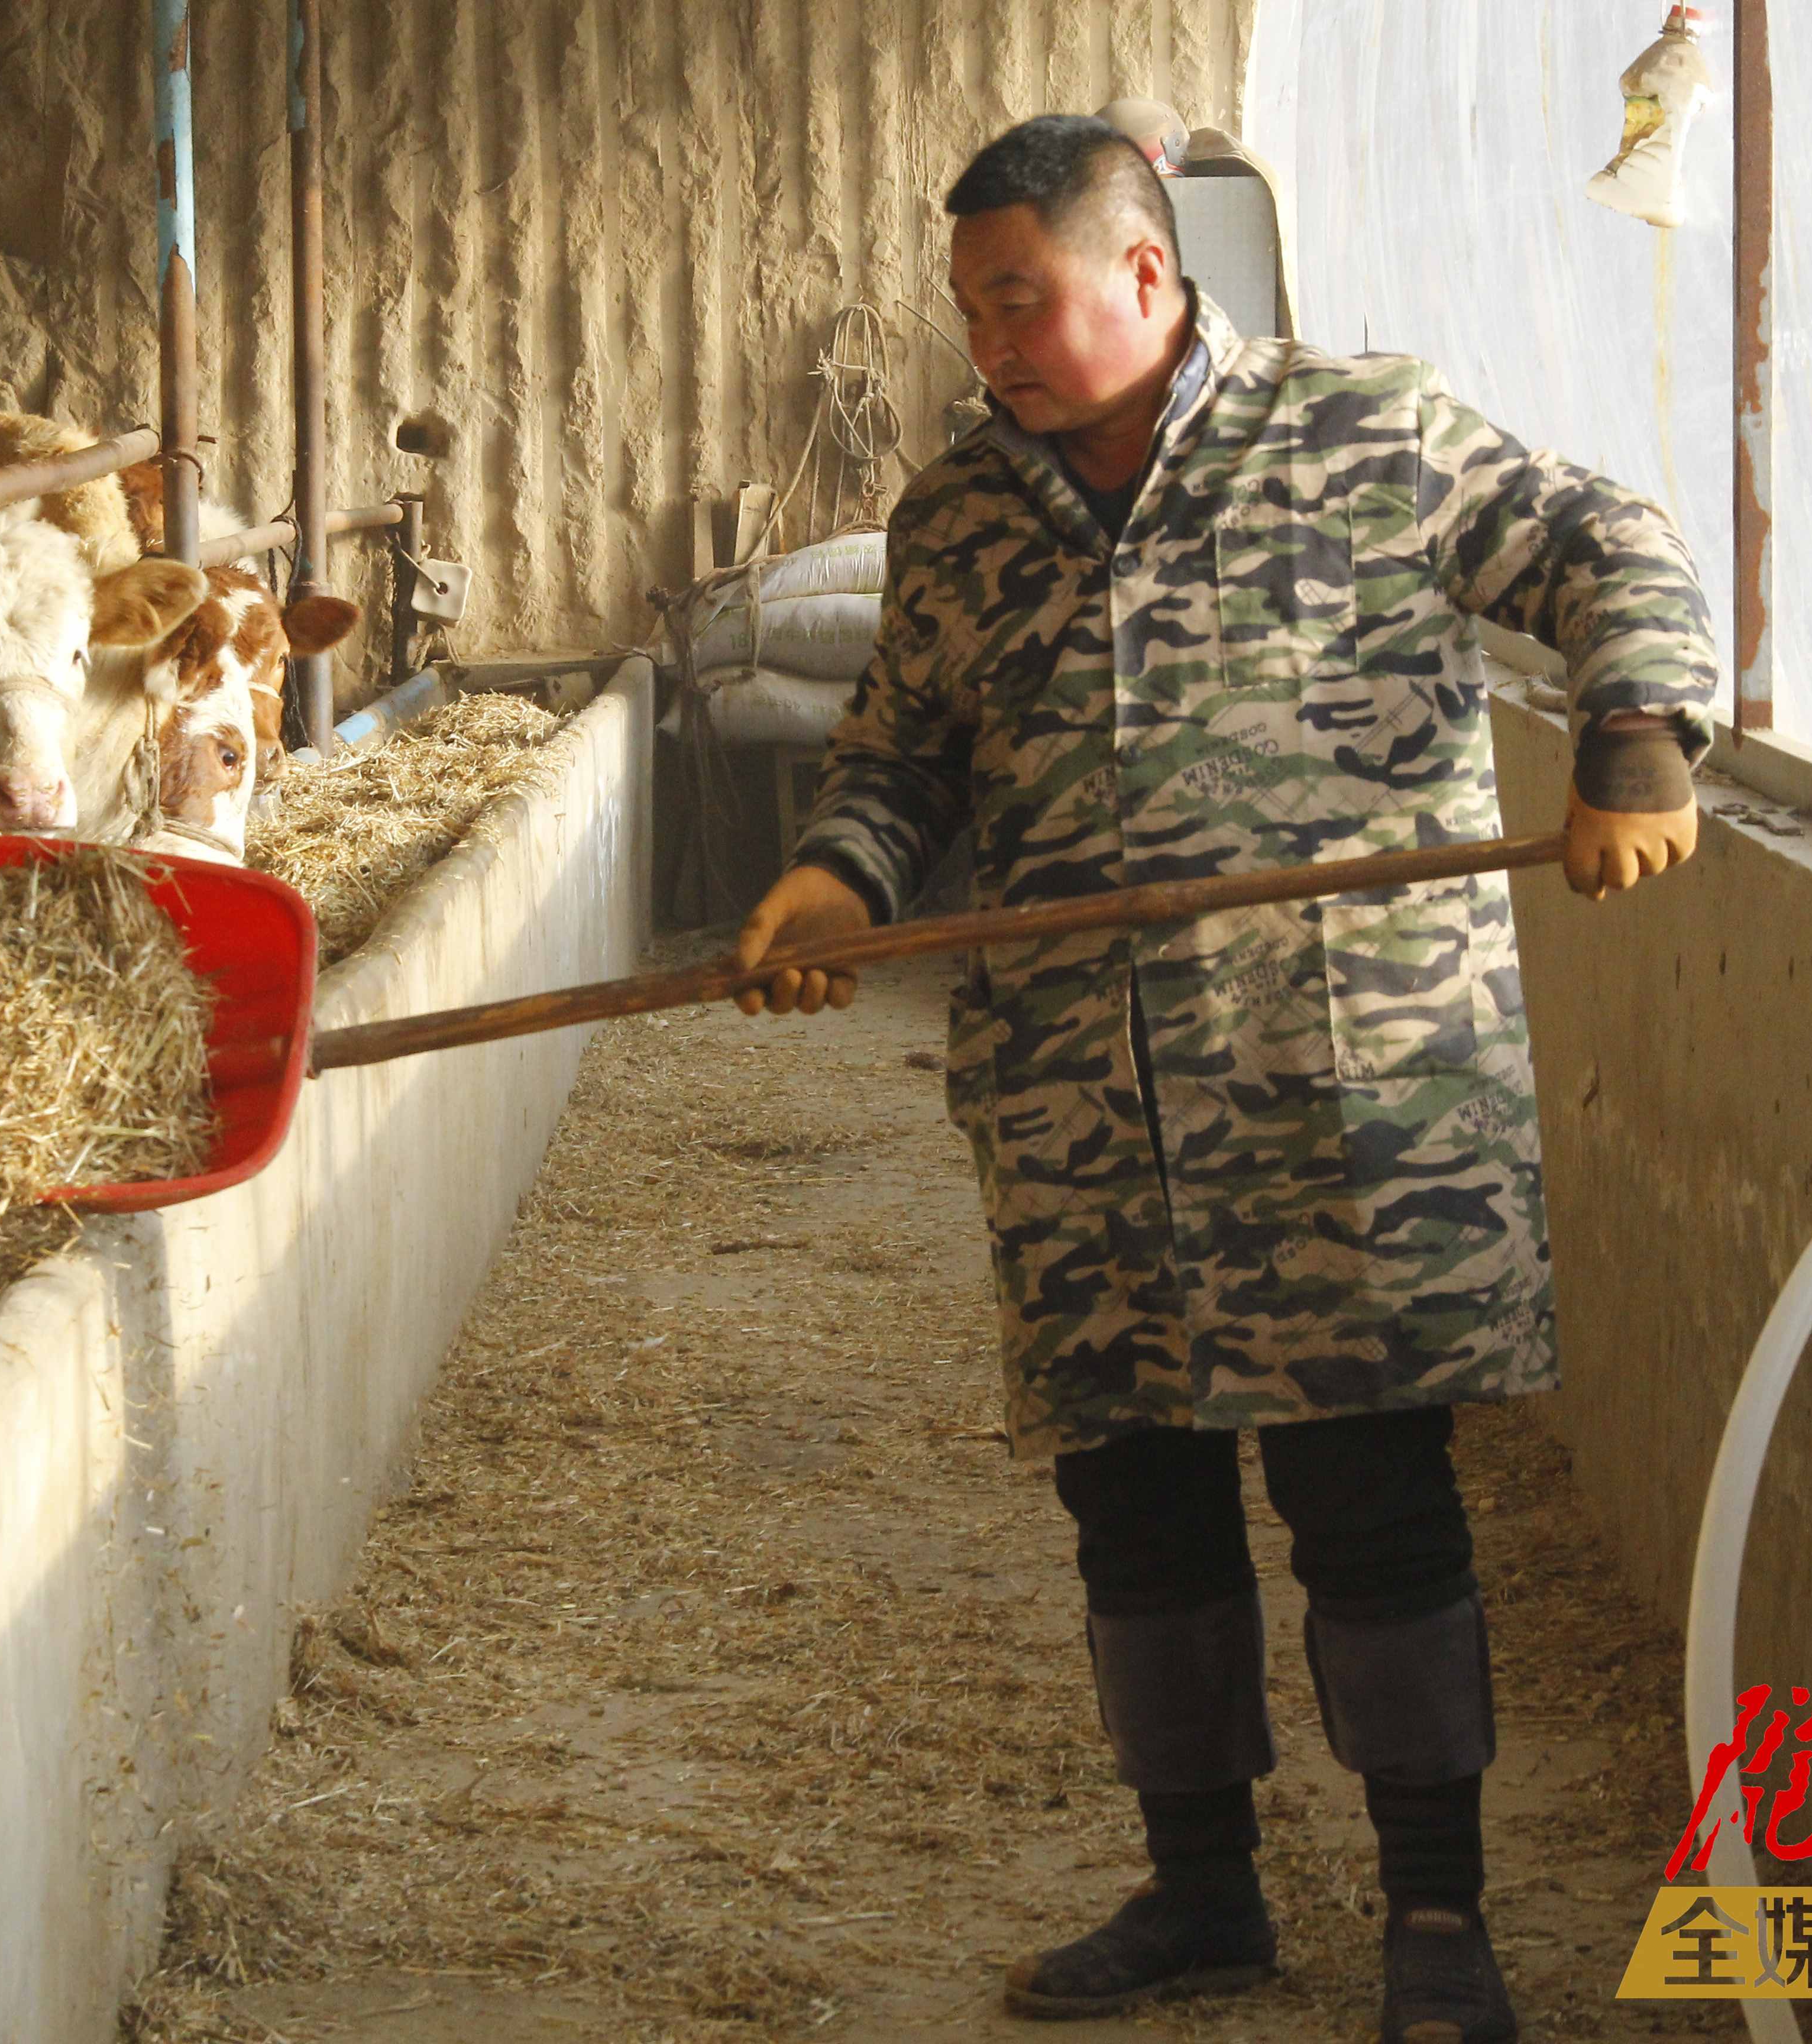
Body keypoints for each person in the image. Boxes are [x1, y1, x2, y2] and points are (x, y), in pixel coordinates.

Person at [732, 115, 1713, 2044]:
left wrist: (1636, 732)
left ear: (1147, 273)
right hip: (1082, 1110)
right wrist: (836, 875)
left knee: (1374, 1511)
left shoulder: (1365, 435)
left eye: (1022, 301)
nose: (991, 344)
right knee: (1139, 1519)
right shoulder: (959, 517)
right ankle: (1201, 1894)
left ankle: (1438, 1917)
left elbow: (1610, 543)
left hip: (1341, 1104)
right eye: (971, 310)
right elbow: (905, 756)